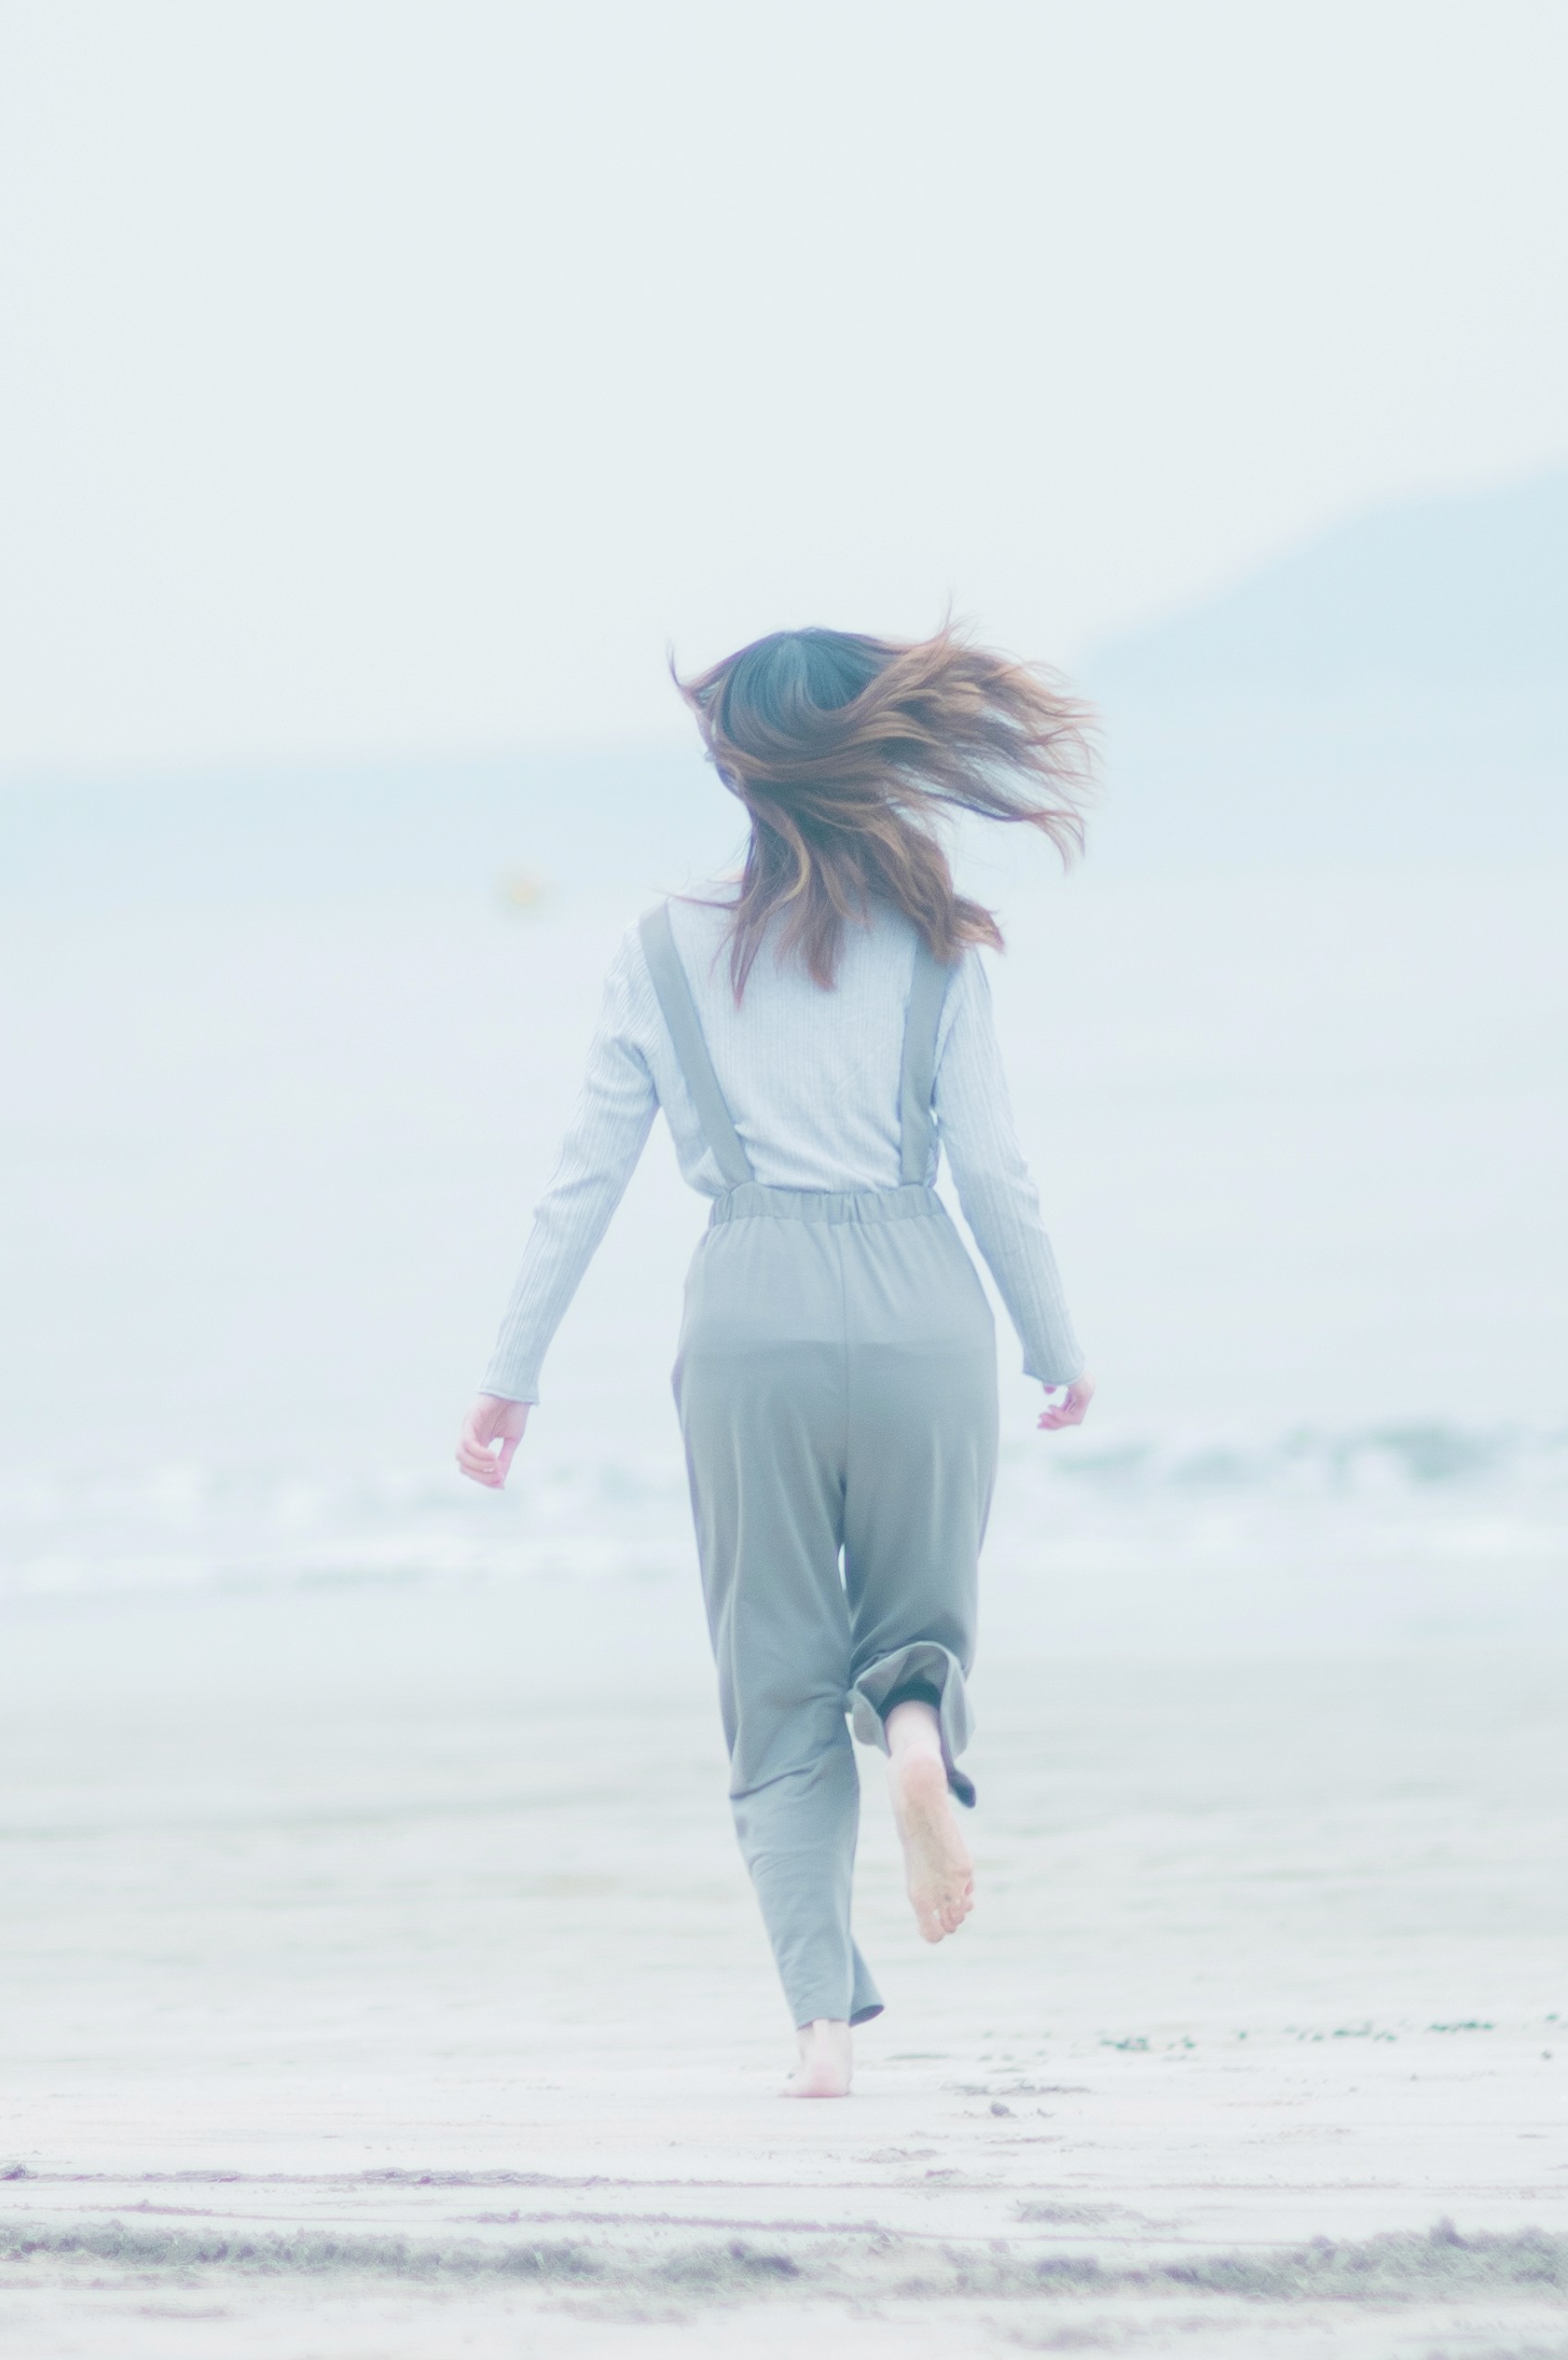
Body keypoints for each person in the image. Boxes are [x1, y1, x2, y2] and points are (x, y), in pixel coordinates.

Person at [459, 626, 1102, 2099]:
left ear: (735, 769)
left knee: (775, 1681)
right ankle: (924, 1728)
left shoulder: (660, 945)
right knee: (915, 1619)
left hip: (748, 1305)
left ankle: (821, 2029)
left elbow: (585, 1179)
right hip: (925, 1301)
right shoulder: (941, 943)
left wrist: (511, 1375)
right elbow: (996, 1174)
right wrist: (1055, 1342)